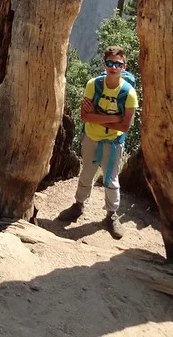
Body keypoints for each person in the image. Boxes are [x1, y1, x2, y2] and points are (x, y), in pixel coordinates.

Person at [58, 45, 138, 239]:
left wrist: (97, 115)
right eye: (110, 63)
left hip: (113, 142)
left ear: (123, 66)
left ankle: (111, 215)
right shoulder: (93, 85)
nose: (113, 67)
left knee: (111, 179)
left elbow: (126, 127)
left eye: (117, 64)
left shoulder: (128, 93)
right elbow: (85, 116)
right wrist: (113, 120)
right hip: (91, 138)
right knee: (87, 172)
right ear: (104, 64)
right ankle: (78, 206)